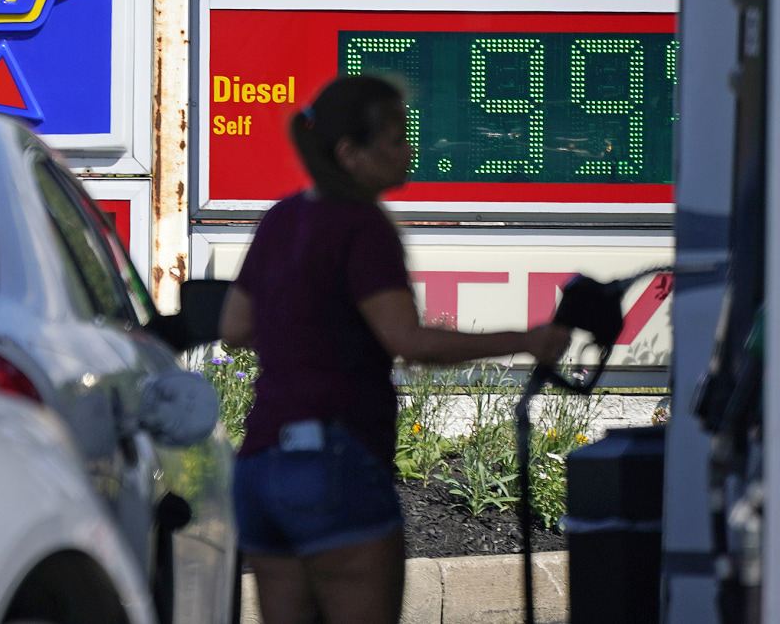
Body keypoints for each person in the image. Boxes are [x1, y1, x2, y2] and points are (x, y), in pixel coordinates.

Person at [218, 75, 571, 624]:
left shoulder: (282, 217)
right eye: (396, 138)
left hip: (262, 467)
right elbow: (407, 341)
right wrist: (527, 340)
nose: (410, 150)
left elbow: (234, 327)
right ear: (349, 154)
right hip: (335, 464)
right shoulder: (363, 226)